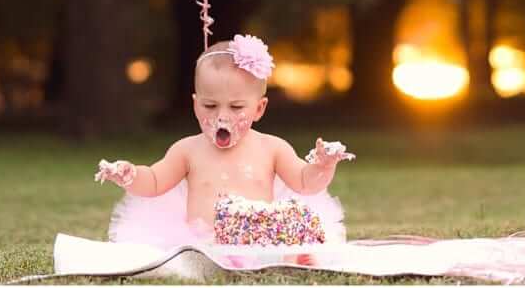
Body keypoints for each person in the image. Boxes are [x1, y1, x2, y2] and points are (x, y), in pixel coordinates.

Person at [94, 34, 353, 252]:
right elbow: (153, 182)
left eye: (237, 106)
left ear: (259, 108)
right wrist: (130, 174)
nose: (222, 116)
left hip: (258, 246)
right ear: (195, 104)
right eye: (210, 105)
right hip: (201, 245)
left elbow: (306, 184)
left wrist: (323, 165)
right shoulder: (187, 150)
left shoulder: (272, 148)